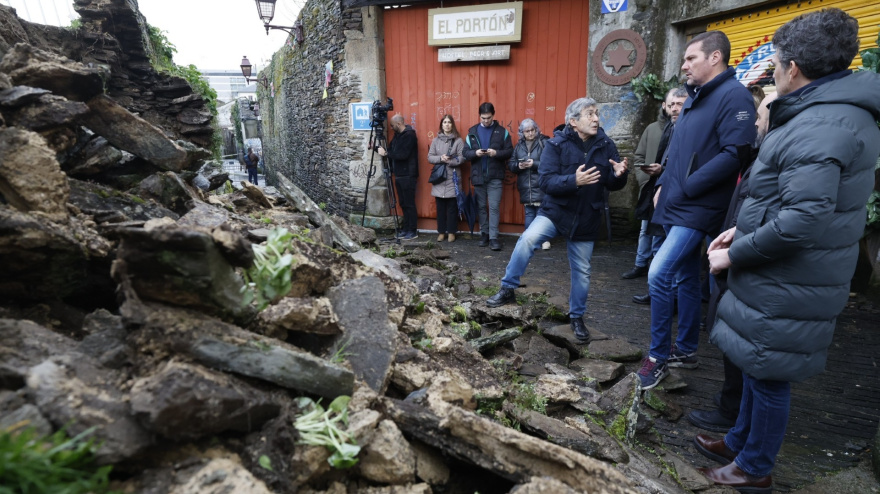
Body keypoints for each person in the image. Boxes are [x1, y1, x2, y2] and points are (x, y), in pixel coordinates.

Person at [695, 9, 880, 491]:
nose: (772, 70)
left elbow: (802, 220)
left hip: (791, 275)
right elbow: (794, 199)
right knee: (759, 363)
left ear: (792, 67)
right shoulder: (829, 113)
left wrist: (735, 253)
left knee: (769, 375)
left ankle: (755, 466)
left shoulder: (821, 123)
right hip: (783, 270)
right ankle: (739, 439)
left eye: (775, 62)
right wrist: (743, 231)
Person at [637, 30, 757, 390]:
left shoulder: (734, 95)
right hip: (676, 202)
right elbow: (675, 152)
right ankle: (686, 350)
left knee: (658, 274)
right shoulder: (694, 96)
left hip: (698, 205)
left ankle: (657, 357)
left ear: (715, 58)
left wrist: (687, 186)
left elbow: (735, 153)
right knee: (685, 277)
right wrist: (661, 187)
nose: (684, 65)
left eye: (691, 58)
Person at [485, 98, 629, 343]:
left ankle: (576, 317)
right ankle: (508, 289)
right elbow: (546, 182)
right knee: (527, 239)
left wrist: (618, 175)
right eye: (590, 114)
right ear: (573, 122)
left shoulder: (606, 144)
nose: (596, 118)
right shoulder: (556, 144)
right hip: (556, 212)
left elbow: (613, 183)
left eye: (597, 114)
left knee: (582, 271)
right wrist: (574, 181)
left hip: (586, 217)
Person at [686, 91, 776, 434]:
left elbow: (786, 219)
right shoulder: (759, 154)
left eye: (761, 114)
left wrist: (735, 248)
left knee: (745, 346)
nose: (754, 120)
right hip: (735, 246)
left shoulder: (775, 156)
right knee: (730, 333)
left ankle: (735, 417)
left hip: (745, 259)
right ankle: (732, 408)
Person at [623, 87, 687, 283]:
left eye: (679, 104)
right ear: (664, 106)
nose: (675, 109)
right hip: (651, 189)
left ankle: (657, 277)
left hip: (670, 192)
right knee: (646, 230)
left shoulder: (684, 128)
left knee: (662, 236)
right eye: (671, 105)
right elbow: (639, 157)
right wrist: (646, 181)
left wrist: (662, 174)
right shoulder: (654, 128)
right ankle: (642, 266)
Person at [462, 102, 513, 251]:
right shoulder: (472, 132)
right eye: (483, 118)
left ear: (493, 115)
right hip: (478, 176)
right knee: (482, 207)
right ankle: (484, 234)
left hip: (495, 175)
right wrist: (475, 153)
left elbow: (510, 151)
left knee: (494, 207)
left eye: (488, 118)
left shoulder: (502, 131)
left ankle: (493, 237)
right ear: (479, 116)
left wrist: (496, 153)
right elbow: (465, 153)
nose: (486, 121)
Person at [509, 118, 551, 250]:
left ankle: (544, 239)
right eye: (527, 131)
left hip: (541, 184)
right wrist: (519, 165)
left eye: (532, 130)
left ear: (536, 130)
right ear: (522, 132)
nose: (530, 133)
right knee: (529, 214)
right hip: (526, 186)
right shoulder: (519, 145)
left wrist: (534, 164)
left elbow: (549, 163)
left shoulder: (544, 142)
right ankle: (530, 240)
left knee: (542, 214)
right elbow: (511, 164)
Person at [377, 114, 419, 240]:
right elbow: (390, 151)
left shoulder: (410, 135)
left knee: (409, 203)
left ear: (399, 124)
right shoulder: (397, 137)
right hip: (400, 174)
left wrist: (387, 153)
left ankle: (412, 230)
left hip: (408, 174)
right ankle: (406, 229)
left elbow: (403, 154)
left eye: (392, 125)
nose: (391, 127)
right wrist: (377, 149)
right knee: (403, 203)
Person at [427, 115, 465, 242]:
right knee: (440, 209)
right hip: (439, 178)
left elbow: (463, 157)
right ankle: (441, 232)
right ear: (441, 125)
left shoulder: (458, 141)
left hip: (452, 179)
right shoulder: (435, 141)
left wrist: (451, 161)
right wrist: (440, 159)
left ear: (452, 124)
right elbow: (430, 157)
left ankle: (452, 232)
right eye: (445, 122)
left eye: (449, 122)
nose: (447, 125)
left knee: (452, 209)